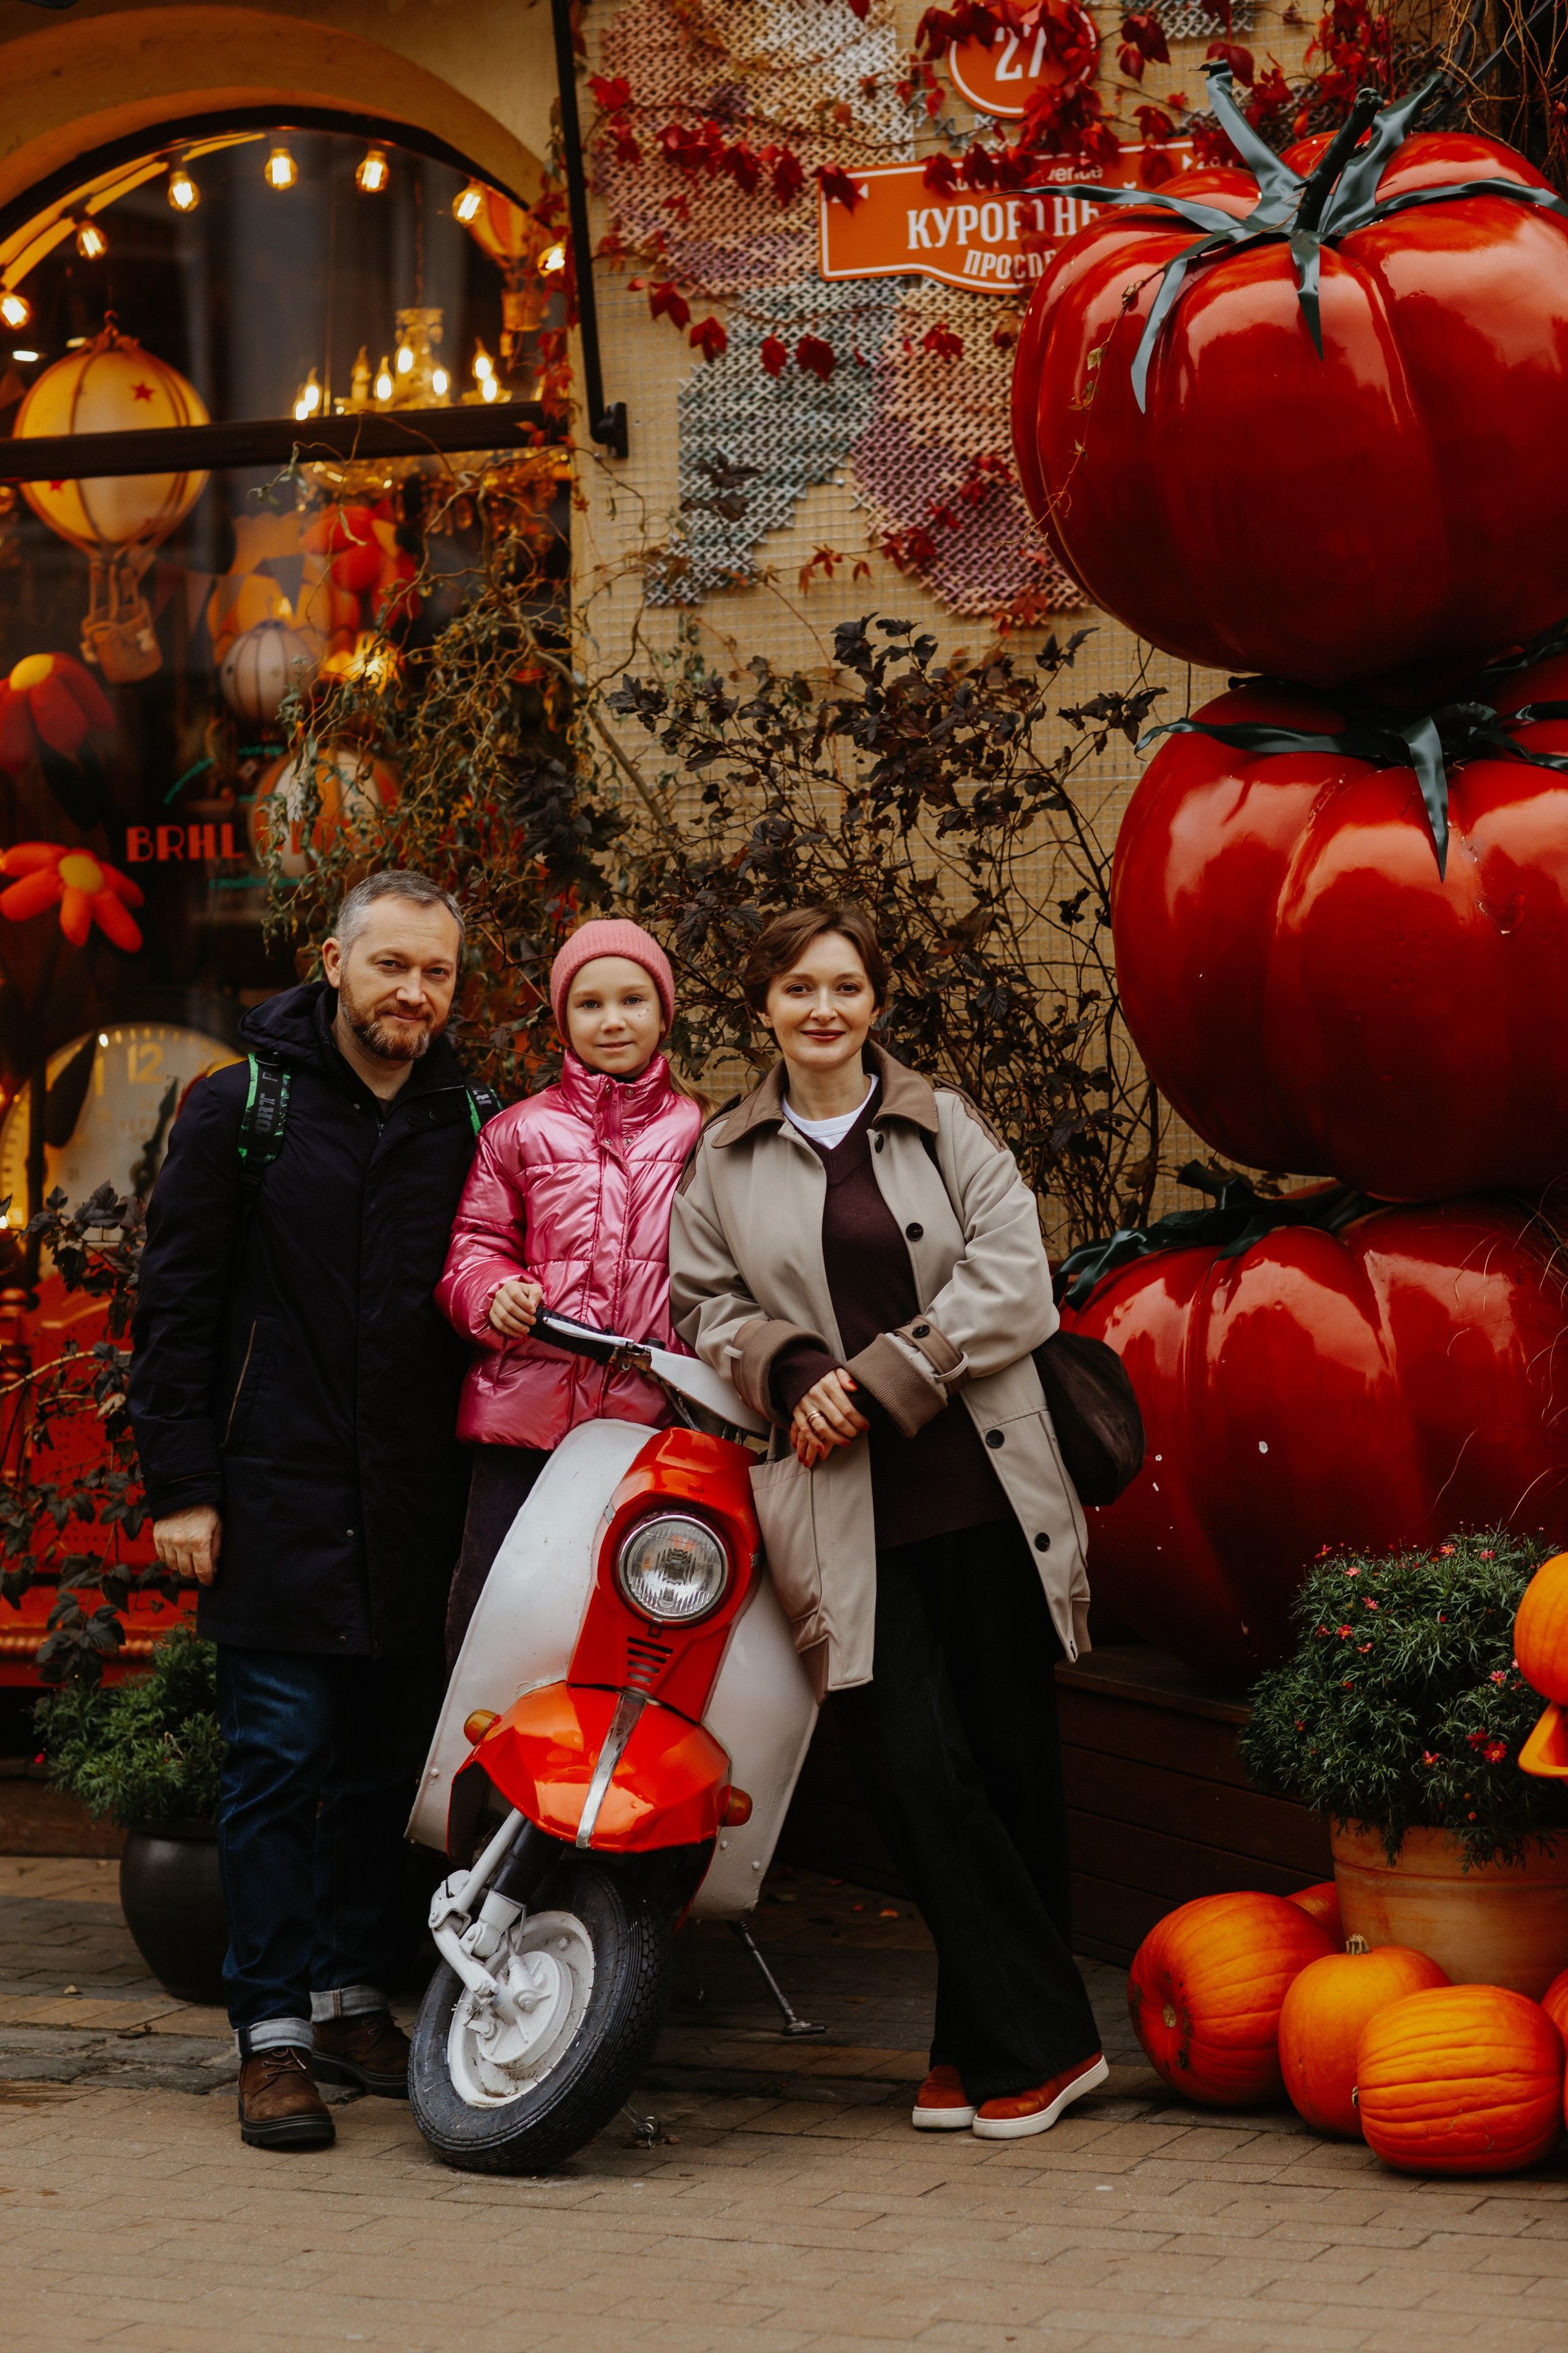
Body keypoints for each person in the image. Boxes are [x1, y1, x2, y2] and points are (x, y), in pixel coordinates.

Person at [669, 902, 1106, 2140]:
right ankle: (1048, 2038)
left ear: (875, 1003)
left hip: (981, 1493)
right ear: (761, 1007)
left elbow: (1016, 1278)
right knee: (913, 1771)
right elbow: (699, 1302)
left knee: (1008, 1770)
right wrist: (786, 1363)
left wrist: (877, 1378)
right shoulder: (726, 1155)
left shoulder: (938, 1121)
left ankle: (977, 2045)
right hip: (841, 1515)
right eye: (797, 986)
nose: (822, 1008)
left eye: (844, 987)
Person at [129, 870, 492, 2153]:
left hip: (416, 1506)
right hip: (274, 1494)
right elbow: (173, 1312)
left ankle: (348, 2004)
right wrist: (181, 1486)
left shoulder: (473, 1119)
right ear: (332, 962)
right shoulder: (245, 1107)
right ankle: (271, 2035)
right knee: (276, 1767)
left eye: (437, 972)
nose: (413, 992)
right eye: (391, 965)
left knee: (387, 1771)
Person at [436, 918, 704, 1660]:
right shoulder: (517, 1133)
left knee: (628, 1614)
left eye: (632, 1001)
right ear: (562, 1018)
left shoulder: (702, 1134)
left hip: (649, 1421)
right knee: (493, 1604)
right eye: (589, 1004)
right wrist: (493, 1293)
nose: (612, 1020)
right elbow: (473, 1249)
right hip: (522, 1417)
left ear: (662, 1013)